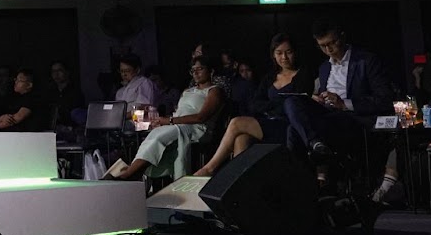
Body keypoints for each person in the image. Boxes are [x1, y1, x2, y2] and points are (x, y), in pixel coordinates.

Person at [195, 34, 311, 178]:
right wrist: (277, 103)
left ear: (295, 52)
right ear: (273, 55)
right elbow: (255, 104)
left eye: (288, 52)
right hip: (268, 121)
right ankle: (238, 180)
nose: (284, 57)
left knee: (236, 123)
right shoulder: (270, 77)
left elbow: (297, 103)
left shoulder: (303, 75)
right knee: (241, 138)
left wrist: (272, 105)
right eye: (279, 53)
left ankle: (210, 168)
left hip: (289, 126)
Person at [283, 24, 397, 167]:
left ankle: (315, 155)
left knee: (293, 130)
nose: (328, 49)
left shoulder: (366, 61)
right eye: (323, 46)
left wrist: (344, 104)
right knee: (291, 101)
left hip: (352, 118)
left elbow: (385, 99)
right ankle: (314, 146)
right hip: (328, 114)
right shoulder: (324, 67)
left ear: (342, 37)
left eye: (332, 43)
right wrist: (318, 99)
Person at [108, 55, 225, 180]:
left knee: (161, 135)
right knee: (156, 132)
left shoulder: (214, 91)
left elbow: (201, 117)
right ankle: (136, 170)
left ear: (211, 71)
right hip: (177, 123)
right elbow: (179, 112)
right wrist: (162, 121)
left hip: (197, 128)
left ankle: (130, 172)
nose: (195, 73)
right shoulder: (187, 91)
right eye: (193, 70)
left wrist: (169, 121)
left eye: (200, 69)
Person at [47, 61, 86, 131]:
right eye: (53, 71)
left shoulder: (75, 92)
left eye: (59, 70)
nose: (56, 74)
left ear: (67, 72)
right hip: (54, 130)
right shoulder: (50, 92)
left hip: (73, 129)